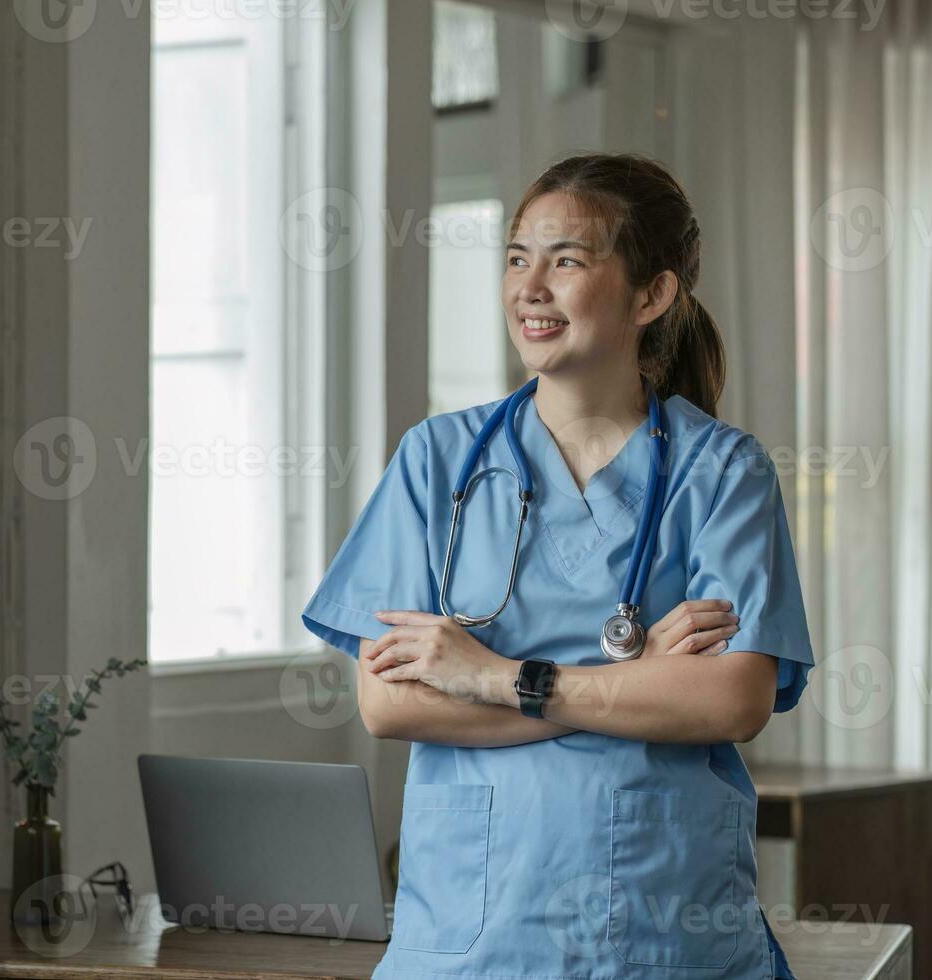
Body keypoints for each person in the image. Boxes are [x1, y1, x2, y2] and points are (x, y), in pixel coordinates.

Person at [301, 152, 815, 980]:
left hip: (665, 929)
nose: (529, 287)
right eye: (516, 257)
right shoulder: (437, 461)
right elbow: (389, 704)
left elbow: (733, 697)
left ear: (652, 295)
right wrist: (639, 682)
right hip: (475, 933)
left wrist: (494, 677)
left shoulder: (721, 471)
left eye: (567, 260)